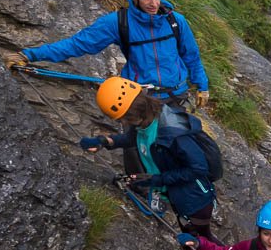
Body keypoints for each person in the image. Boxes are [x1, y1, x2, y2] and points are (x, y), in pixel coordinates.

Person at [5, 0, 210, 107]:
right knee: (139, 159)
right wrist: (29, 55)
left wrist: (202, 86)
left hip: (177, 96)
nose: (154, 4)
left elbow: (191, 55)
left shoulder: (175, 21)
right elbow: (76, 45)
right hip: (140, 98)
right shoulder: (117, 23)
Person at [79, 77, 216, 239]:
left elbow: (198, 169)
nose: (122, 122)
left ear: (134, 112)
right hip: (176, 193)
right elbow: (131, 139)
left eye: (123, 118)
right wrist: (104, 141)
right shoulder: (144, 124)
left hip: (194, 200)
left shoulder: (173, 134)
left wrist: (157, 179)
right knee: (194, 237)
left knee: (200, 240)